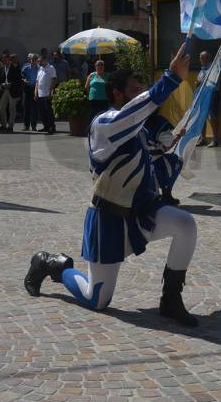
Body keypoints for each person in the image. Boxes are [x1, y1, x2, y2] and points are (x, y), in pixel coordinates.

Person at [23, 43, 199, 327]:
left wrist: (178, 152)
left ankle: (170, 300)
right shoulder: (104, 124)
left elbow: (155, 174)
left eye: (140, 91)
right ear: (117, 94)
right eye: (133, 91)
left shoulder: (138, 131)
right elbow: (140, 109)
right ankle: (52, 264)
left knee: (185, 225)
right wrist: (171, 77)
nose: (139, 97)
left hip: (141, 212)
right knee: (98, 300)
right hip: (109, 218)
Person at [145, 113, 183, 205]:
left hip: (137, 161)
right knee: (176, 161)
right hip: (153, 164)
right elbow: (167, 145)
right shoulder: (158, 121)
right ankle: (166, 192)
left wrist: (178, 136)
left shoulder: (132, 119)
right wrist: (178, 136)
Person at [196, 50, 220, 147]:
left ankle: (215, 139)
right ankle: (203, 138)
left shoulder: (213, 68)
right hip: (202, 94)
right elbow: (198, 80)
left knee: (212, 117)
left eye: (201, 58)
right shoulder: (203, 69)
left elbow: (211, 82)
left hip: (211, 94)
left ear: (206, 58)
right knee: (202, 116)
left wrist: (199, 82)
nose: (199, 60)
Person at [0, 53, 22, 133]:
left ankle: (10, 126)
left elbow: (18, 80)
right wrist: (1, 85)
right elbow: (0, 79)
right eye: (3, 60)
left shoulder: (15, 68)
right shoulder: (1, 68)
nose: (4, 61)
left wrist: (11, 84)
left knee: (12, 108)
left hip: (13, 90)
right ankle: (3, 125)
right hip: (4, 90)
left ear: (9, 60)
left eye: (5, 60)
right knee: (1, 107)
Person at [35, 55, 57, 135]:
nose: (38, 62)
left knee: (49, 112)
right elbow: (37, 82)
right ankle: (46, 126)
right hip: (40, 94)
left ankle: (52, 127)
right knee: (42, 112)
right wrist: (35, 93)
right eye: (38, 61)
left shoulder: (51, 68)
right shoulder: (39, 69)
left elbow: (54, 80)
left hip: (47, 93)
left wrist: (51, 91)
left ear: (45, 60)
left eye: (40, 61)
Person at [21, 54, 40, 131]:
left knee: (35, 108)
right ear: (30, 60)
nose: (33, 61)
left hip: (35, 88)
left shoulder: (39, 68)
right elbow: (21, 75)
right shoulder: (26, 68)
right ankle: (26, 125)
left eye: (35, 59)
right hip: (28, 88)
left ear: (37, 60)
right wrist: (24, 79)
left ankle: (34, 125)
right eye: (32, 59)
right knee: (27, 108)